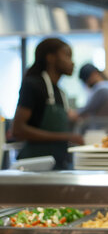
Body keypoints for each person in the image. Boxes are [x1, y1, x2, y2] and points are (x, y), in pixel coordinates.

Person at [12, 38, 84, 169]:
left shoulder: (60, 92)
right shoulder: (33, 85)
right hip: (35, 167)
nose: (72, 62)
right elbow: (18, 130)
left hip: (60, 165)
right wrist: (65, 136)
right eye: (67, 56)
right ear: (50, 57)